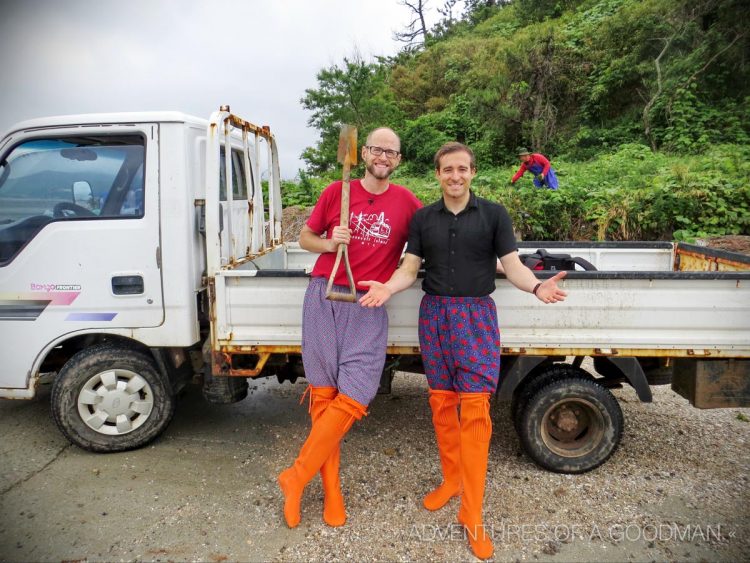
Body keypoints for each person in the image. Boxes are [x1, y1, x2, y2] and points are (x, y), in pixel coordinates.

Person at [359, 142, 567, 560]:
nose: (455, 176)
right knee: (441, 404)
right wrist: (387, 287)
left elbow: (512, 265)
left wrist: (537, 285)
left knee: (474, 413)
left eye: (462, 169)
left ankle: (472, 513)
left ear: (472, 173)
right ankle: (451, 480)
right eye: (447, 170)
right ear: (437, 175)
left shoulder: (494, 215)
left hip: (476, 319)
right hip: (434, 317)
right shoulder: (423, 218)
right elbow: (409, 269)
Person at [278, 127, 422, 529]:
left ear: (398, 159)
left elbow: (430, 241)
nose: (382, 156)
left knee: (355, 396)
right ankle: (331, 492)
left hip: (368, 301)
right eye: (376, 149)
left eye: (391, 152)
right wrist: (329, 242)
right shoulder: (335, 192)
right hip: (325, 294)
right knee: (324, 398)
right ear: (364, 154)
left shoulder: (407, 201)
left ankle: (296, 476)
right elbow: (306, 237)